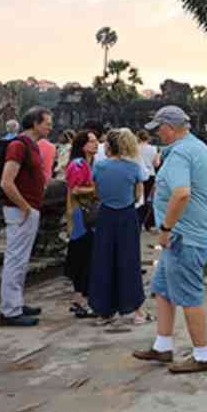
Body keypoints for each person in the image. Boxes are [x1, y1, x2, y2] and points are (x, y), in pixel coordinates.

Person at [133, 106, 207, 374]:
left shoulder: (181, 153)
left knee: (189, 296)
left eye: (159, 129)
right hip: (191, 232)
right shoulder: (198, 147)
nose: (157, 134)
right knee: (162, 289)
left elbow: (181, 194)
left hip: (184, 236)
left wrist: (167, 228)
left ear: (170, 127)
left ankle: (203, 355)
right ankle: (163, 346)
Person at [0, 107, 52, 327]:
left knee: (21, 260)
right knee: (15, 259)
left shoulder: (31, 146)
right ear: (35, 123)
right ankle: (10, 311)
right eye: (47, 122)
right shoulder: (18, 145)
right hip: (20, 209)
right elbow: (6, 182)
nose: (50, 126)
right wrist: (26, 207)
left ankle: (15, 303)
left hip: (27, 208)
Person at [89, 129, 148, 325]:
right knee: (129, 261)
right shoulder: (133, 168)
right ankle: (134, 307)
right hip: (127, 215)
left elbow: (96, 193)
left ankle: (104, 310)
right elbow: (138, 196)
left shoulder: (99, 166)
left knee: (103, 261)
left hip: (105, 215)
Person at [65, 130, 99, 319]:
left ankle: (81, 299)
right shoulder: (78, 164)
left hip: (84, 217)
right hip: (80, 217)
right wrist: (96, 189)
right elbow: (76, 189)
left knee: (85, 258)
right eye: (92, 141)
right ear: (83, 145)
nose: (95, 144)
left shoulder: (87, 163)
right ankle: (80, 300)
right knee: (82, 258)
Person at [137, 129, 159, 231]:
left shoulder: (135, 148)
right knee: (147, 200)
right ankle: (147, 223)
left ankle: (138, 221)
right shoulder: (153, 148)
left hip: (138, 174)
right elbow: (156, 164)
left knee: (138, 199)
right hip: (150, 174)